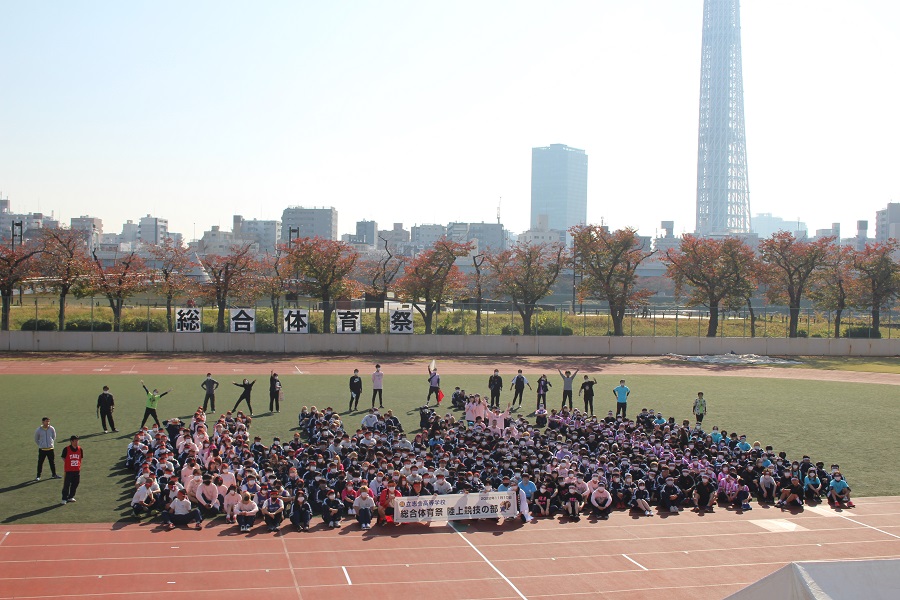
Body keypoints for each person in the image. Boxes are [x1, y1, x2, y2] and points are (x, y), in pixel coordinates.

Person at [34, 417, 60, 481]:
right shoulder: (38, 430)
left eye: (48, 421)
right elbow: (36, 439)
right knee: (40, 463)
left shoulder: (51, 428)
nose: (47, 423)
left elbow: (54, 436)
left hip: (50, 449)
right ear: (43, 422)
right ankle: (38, 476)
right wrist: (41, 444)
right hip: (42, 449)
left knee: (52, 462)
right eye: (46, 421)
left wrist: (50, 443)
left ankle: (54, 474)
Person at [60, 435, 83, 505]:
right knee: (66, 484)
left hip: (77, 470)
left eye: (77, 440)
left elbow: (80, 458)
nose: (77, 442)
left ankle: (71, 496)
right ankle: (64, 498)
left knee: (76, 483)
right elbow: (63, 457)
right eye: (75, 440)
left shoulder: (80, 449)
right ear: (71, 441)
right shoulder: (66, 449)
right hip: (69, 470)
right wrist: (68, 463)